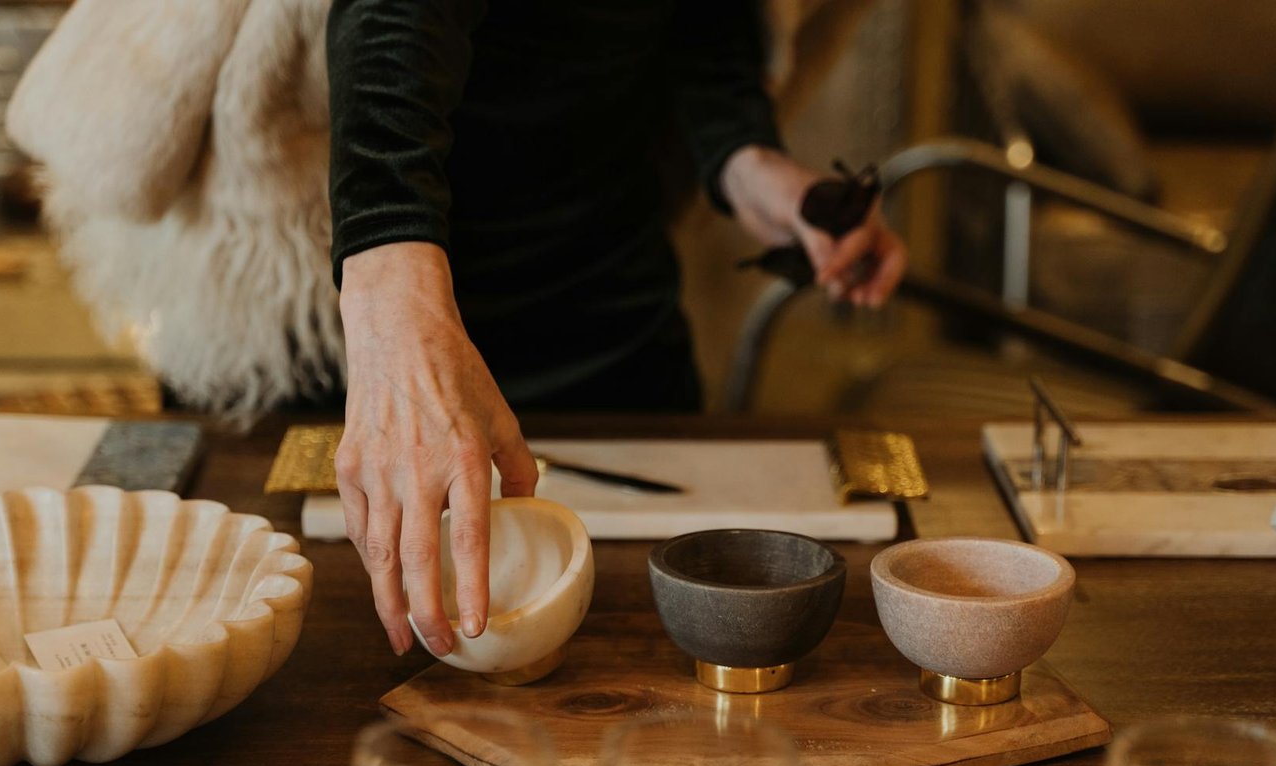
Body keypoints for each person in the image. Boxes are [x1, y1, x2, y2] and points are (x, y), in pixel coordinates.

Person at [327, 0, 907, 658]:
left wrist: (747, 160)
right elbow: (394, 20)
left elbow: (700, 28)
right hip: (396, 339)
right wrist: (389, 281)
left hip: (617, 316)